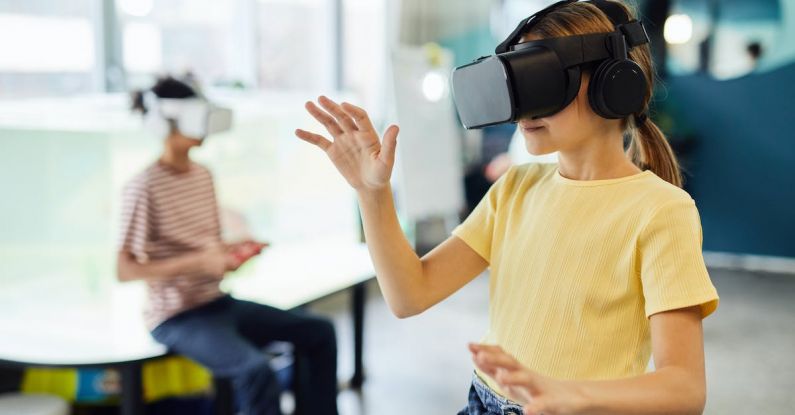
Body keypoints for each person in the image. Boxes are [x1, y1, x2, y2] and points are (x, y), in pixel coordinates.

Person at [294, 0, 719, 414]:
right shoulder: (516, 187)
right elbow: (409, 295)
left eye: (542, 80)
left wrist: (572, 395)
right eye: (517, 82)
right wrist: (372, 193)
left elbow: (684, 390)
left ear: (613, 83)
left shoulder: (661, 211)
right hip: (482, 401)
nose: (523, 107)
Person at [118, 76, 339, 415]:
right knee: (255, 371)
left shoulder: (202, 174)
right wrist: (200, 263)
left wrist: (231, 252)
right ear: (166, 122)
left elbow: (207, 247)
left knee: (319, 332)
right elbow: (124, 269)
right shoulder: (143, 186)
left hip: (217, 302)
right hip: (176, 318)